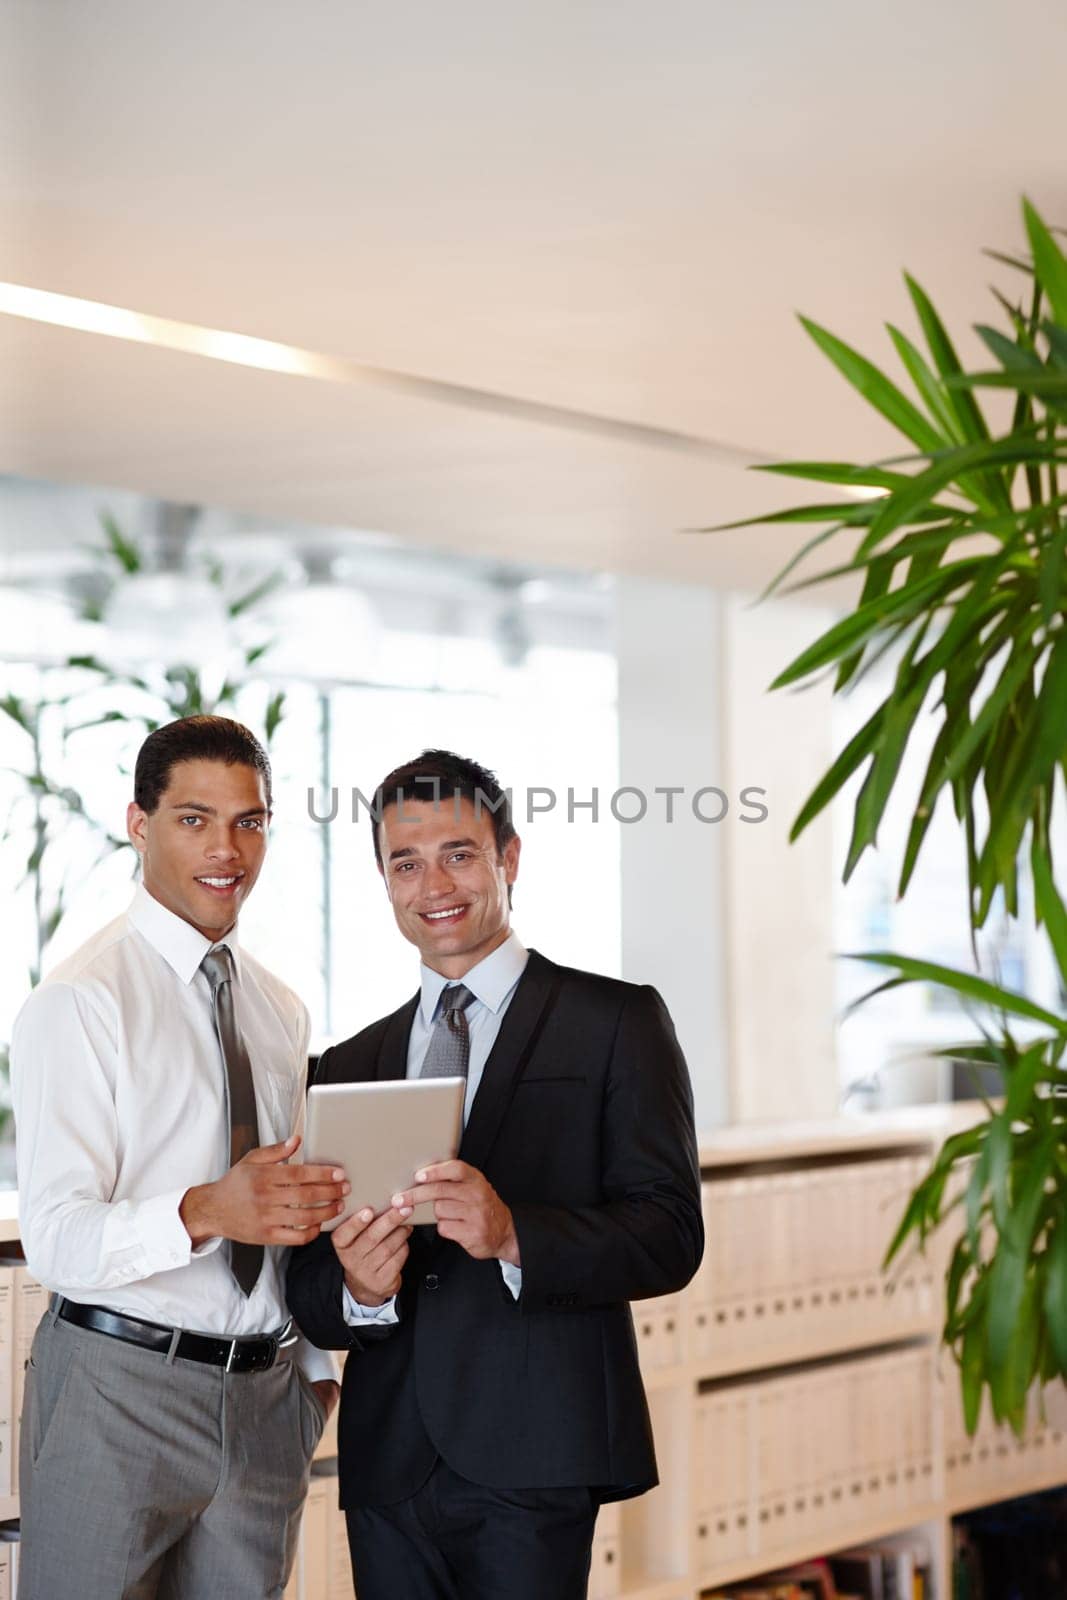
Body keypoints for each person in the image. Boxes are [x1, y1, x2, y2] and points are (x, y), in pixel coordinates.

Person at [287, 749, 703, 1600]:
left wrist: (516, 1233)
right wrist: (357, 1291)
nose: (433, 883)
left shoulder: (615, 1022)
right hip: (390, 1460)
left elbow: (669, 1235)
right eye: (406, 863)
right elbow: (306, 1282)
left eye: (459, 853)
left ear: (508, 858)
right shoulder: (346, 1063)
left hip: (539, 1453)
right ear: (384, 880)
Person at [11, 715, 347, 1600]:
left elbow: (286, 1208)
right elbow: (55, 1237)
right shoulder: (80, 1002)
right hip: (117, 1394)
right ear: (137, 822)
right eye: (194, 819)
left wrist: (311, 1373)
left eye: (250, 821)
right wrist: (207, 1211)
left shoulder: (280, 1011)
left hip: (265, 1399)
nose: (226, 849)